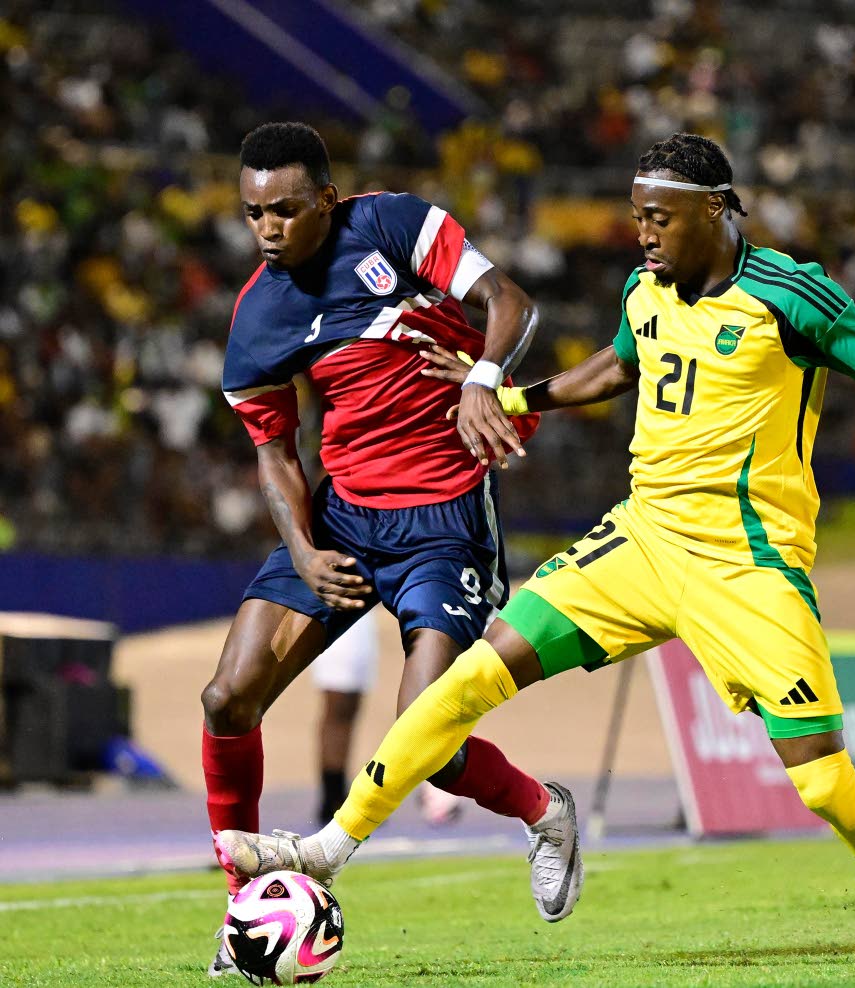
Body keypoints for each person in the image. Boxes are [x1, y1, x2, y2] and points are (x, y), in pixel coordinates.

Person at [217, 132, 855, 971]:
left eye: (659, 219)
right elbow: (614, 369)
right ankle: (327, 850)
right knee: (466, 683)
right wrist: (501, 391)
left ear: (713, 210)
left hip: (745, 563)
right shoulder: (646, 288)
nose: (643, 234)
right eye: (637, 217)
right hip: (639, 541)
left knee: (821, 782)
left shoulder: (790, 296)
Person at [203, 122, 583, 977]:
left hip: (444, 522)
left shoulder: (393, 227)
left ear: (327, 201)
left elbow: (512, 302)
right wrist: (301, 551)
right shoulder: (258, 316)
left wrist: (485, 379)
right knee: (229, 695)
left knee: (431, 746)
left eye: (287, 209)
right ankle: (244, 904)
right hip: (342, 521)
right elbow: (274, 452)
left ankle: (543, 810)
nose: (268, 228)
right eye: (253, 212)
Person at [310, 606, 462, 826]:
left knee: (435, 677)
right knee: (342, 698)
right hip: (344, 594)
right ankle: (333, 799)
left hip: (397, 589)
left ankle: (435, 780)